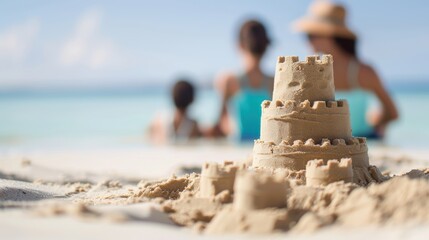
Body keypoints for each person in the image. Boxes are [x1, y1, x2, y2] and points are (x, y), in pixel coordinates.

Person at [293, 1, 398, 138]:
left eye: (310, 35)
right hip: (361, 142)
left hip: (324, 143)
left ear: (329, 35)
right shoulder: (364, 71)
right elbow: (392, 113)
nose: (307, 41)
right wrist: (375, 122)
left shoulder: (310, 72)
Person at [210, 19, 273, 141]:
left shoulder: (228, 80)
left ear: (240, 45)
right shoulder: (274, 82)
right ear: (266, 47)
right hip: (266, 150)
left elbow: (221, 123)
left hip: (237, 149)